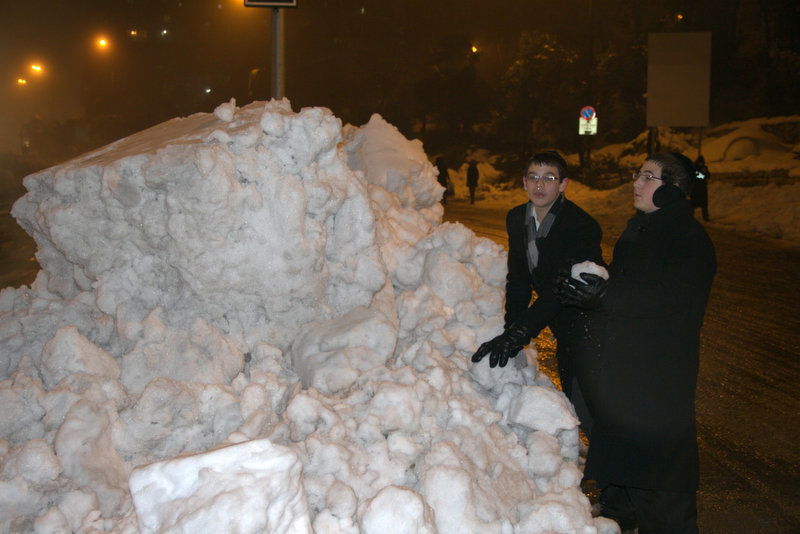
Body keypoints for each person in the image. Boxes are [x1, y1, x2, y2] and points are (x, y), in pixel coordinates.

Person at [555, 152, 716, 534]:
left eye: (648, 176)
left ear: (672, 192)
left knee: (664, 487)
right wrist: (591, 284)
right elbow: (632, 286)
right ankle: (621, 511)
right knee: (628, 471)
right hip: (632, 375)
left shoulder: (688, 239)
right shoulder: (644, 230)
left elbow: (667, 297)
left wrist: (605, 296)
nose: (636, 183)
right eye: (637, 174)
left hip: (661, 376)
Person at [471, 150, 604, 430]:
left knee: (585, 396)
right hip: (553, 316)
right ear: (524, 182)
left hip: (585, 320)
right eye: (533, 177)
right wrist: (512, 331)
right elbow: (518, 277)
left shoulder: (581, 226)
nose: (540, 185)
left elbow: (562, 288)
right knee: (574, 394)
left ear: (563, 184)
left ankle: (603, 468)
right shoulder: (517, 217)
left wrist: (521, 333)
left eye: (549, 178)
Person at [691, 155, 710, 221]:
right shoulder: (694, 167)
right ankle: (690, 216)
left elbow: (708, 176)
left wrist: (706, 173)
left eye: (702, 162)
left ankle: (706, 217)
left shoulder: (704, 167)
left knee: (704, 204)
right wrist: (703, 175)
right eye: (700, 162)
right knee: (693, 204)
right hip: (696, 189)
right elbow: (696, 175)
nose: (701, 163)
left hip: (703, 189)